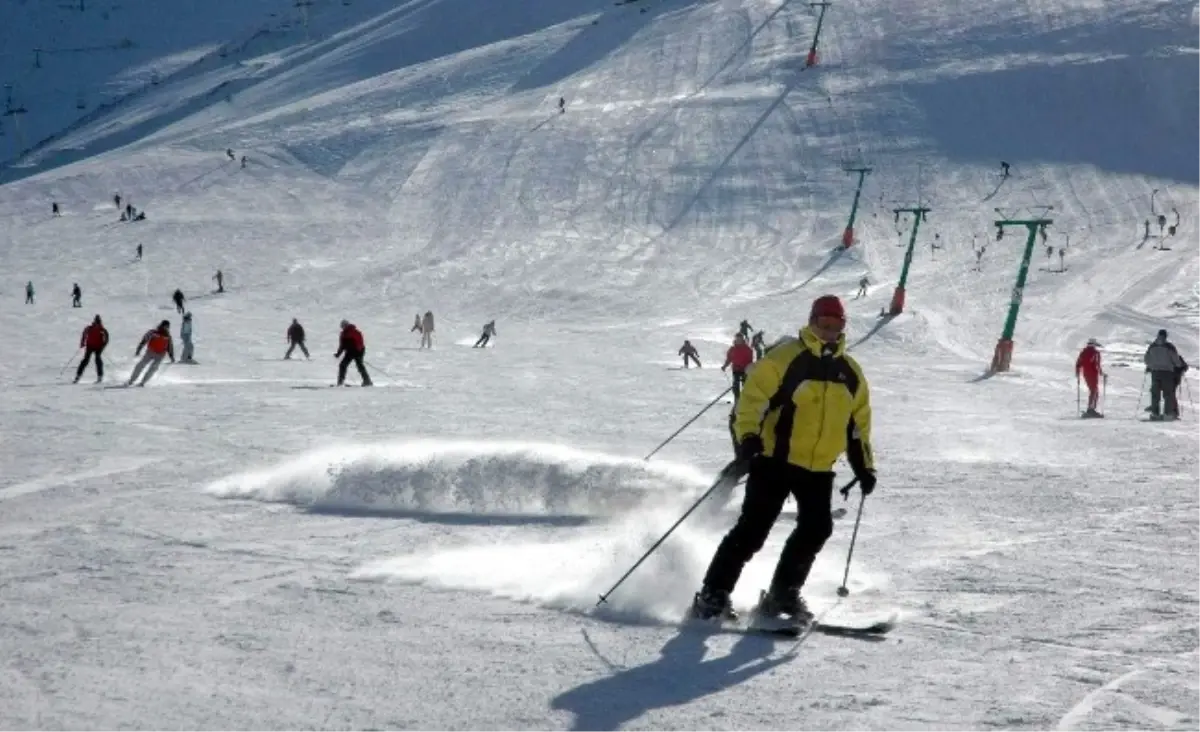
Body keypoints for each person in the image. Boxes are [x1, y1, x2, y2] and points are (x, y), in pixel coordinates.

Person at [692, 295, 875, 625]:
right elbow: (751, 402)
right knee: (752, 531)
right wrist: (748, 437)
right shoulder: (786, 358)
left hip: (818, 468)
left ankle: (782, 593)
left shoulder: (850, 372)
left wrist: (864, 466)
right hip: (775, 460)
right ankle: (712, 593)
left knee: (816, 529)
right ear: (812, 322)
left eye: (837, 326)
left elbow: (857, 424)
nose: (831, 332)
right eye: (825, 325)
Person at [1144, 329, 1188, 420]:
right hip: (1167, 373)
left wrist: (1152, 366)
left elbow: (1147, 359)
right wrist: (1180, 365)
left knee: (1155, 393)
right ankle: (1168, 413)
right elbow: (1176, 361)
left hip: (1155, 372)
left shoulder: (1152, 346)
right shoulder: (1169, 347)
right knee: (1168, 393)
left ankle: (1155, 413)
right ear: (1166, 336)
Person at [128, 320, 175, 386]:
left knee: (153, 368)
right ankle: (131, 380)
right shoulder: (153, 332)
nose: (166, 328)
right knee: (141, 365)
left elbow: (170, 347)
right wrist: (139, 349)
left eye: (167, 327)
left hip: (160, 354)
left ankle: (143, 382)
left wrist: (171, 356)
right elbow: (144, 340)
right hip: (150, 351)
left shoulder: (168, 337)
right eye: (165, 326)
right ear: (161, 325)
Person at [335, 320, 372, 386]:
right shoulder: (343, 334)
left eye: (344, 326)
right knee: (342, 365)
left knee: (359, 365)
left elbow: (360, 343)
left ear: (347, 325)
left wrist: (358, 352)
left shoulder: (355, 332)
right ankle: (340, 382)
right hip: (349, 352)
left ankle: (367, 381)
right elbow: (342, 345)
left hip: (358, 351)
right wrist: (338, 353)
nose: (343, 327)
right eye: (342, 326)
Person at [74, 315, 109, 383]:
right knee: (85, 360)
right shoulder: (89, 328)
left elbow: (106, 339)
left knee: (97, 359)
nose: (97, 323)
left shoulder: (102, 329)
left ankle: (100, 376)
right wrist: (82, 343)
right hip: (90, 346)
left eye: (98, 322)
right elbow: (84, 334)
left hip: (98, 347)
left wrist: (103, 346)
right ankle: (78, 376)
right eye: (96, 322)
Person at [1075, 338, 1104, 417]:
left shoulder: (1083, 352)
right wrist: (1101, 373)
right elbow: (1097, 365)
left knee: (1093, 391)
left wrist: (1077, 373)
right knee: (1094, 391)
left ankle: (1090, 408)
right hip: (1093, 374)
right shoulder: (1095, 353)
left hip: (1086, 374)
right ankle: (1091, 409)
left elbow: (1078, 363)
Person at [721, 333, 755, 401]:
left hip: (745, 370)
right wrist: (725, 366)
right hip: (736, 369)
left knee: (745, 385)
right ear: (735, 339)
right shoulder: (732, 349)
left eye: (740, 339)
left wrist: (749, 369)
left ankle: (745, 399)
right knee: (735, 385)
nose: (738, 340)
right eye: (737, 339)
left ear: (742, 339)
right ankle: (737, 399)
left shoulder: (748, 349)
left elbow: (750, 361)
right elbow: (729, 359)